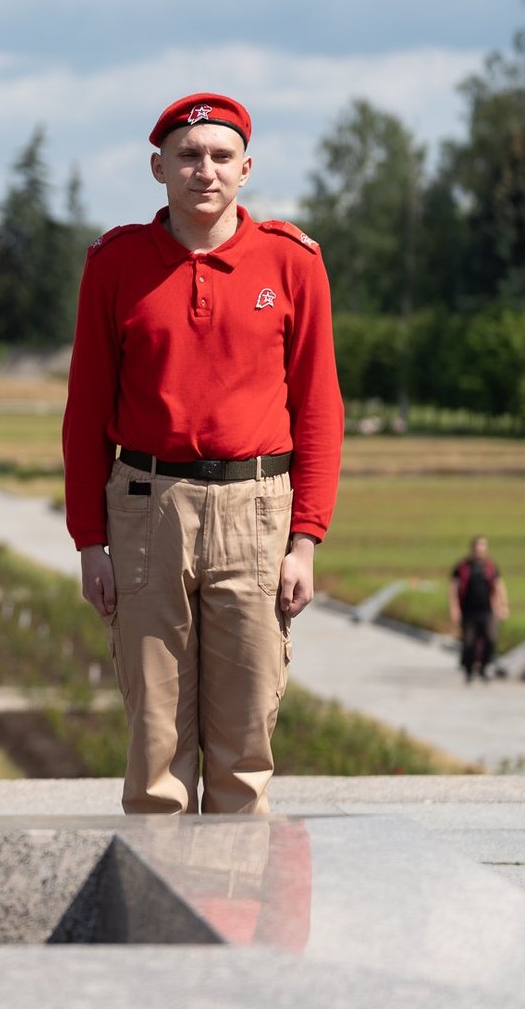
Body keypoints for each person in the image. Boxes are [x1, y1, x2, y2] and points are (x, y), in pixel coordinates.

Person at [62, 92, 344, 815]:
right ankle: (159, 922)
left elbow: (318, 410)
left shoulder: (292, 262)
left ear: (246, 169)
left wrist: (305, 539)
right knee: (156, 746)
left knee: (244, 748)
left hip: (257, 510)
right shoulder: (116, 263)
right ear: (158, 167)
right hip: (147, 507)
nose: (204, 171)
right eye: (188, 157)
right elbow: (86, 411)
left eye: (221, 157)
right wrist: (89, 541)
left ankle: (234, 920)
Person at [450, 536, 508, 684]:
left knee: (491, 639)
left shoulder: (490, 567)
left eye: (482, 546)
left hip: (488, 610)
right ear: (473, 549)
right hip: (468, 611)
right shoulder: (463, 567)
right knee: (468, 642)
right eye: (477, 547)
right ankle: (469, 670)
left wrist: (503, 606)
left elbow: (499, 586)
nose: (479, 550)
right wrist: (454, 608)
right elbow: (453, 588)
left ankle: (484, 667)